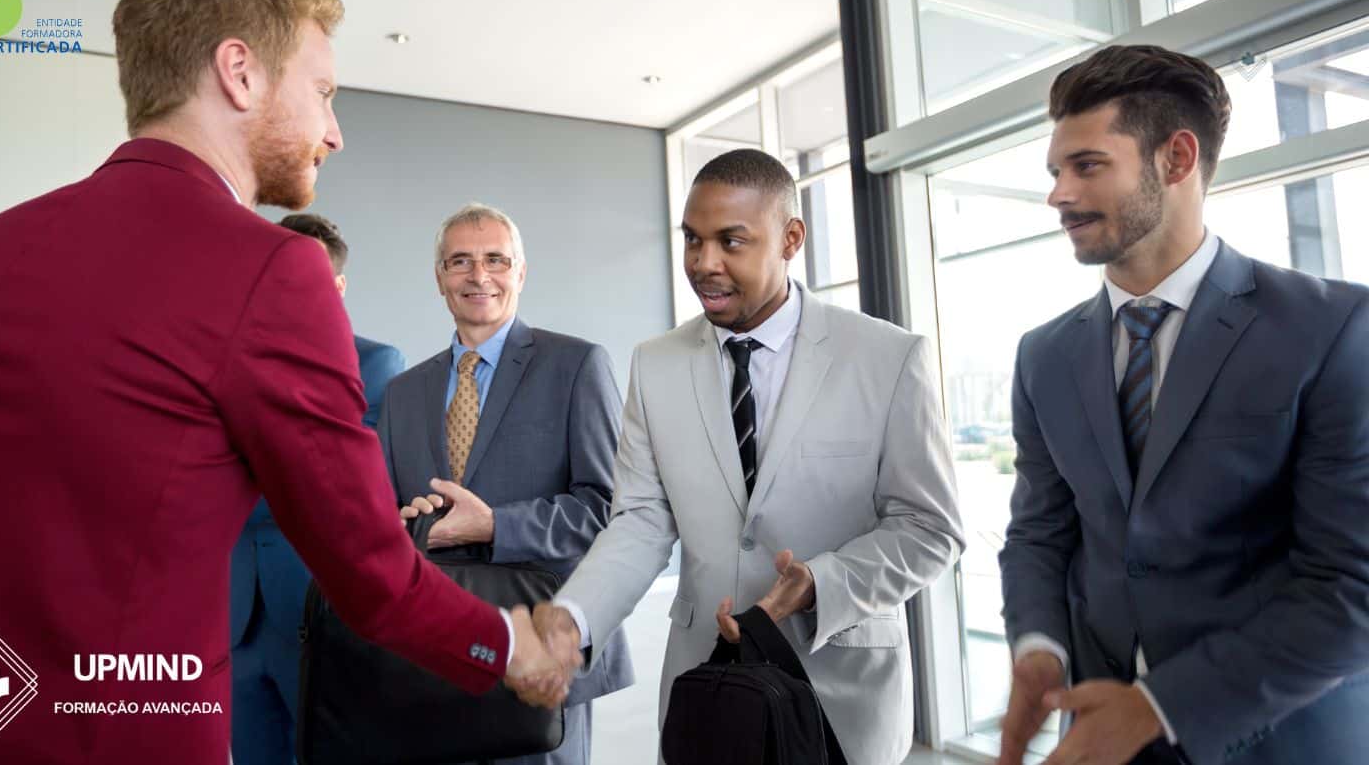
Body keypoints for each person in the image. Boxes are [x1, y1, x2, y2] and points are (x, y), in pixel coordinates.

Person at [0, 0, 564, 763]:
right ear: (240, 73)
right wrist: (511, 649)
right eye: (324, 91)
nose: (334, 131)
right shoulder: (271, 270)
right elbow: (371, 577)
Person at [997, 44, 1369, 765]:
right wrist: (1039, 648)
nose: (1058, 195)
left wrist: (1158, 707)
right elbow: (1040, 534)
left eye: (1087, 166)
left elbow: (1352, 588)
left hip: (1279, 740)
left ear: (1176, 158)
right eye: (1055, 172)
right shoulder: (1043, 356)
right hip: (1099, 735)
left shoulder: (1330, 330)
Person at [533, 149, 965, 765]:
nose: (704, 264)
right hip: (705, 692)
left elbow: (930, 529)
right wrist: (574, 618)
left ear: (791, 238)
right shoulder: (655, 364)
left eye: (731, 241)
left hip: (841, 694)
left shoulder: (888, 357)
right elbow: (642, 521)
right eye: (692, 240)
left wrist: (820, 582)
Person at [384, 203, 634, 765]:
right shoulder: (402, 393)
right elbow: (387, 516)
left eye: (496, 259)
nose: (479, 276)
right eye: (461, 262)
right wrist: (413, 521)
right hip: (434, 651)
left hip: (540, 644)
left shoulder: (576, 365)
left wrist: (495, 525)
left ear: (520, 273)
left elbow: (610, 510)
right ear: (440, 279)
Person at [229, 212, 408, 765]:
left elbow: (341, 486)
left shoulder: (375, 364)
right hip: (234, 612)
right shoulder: (229, 362)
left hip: (318, 606)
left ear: (338, 286)